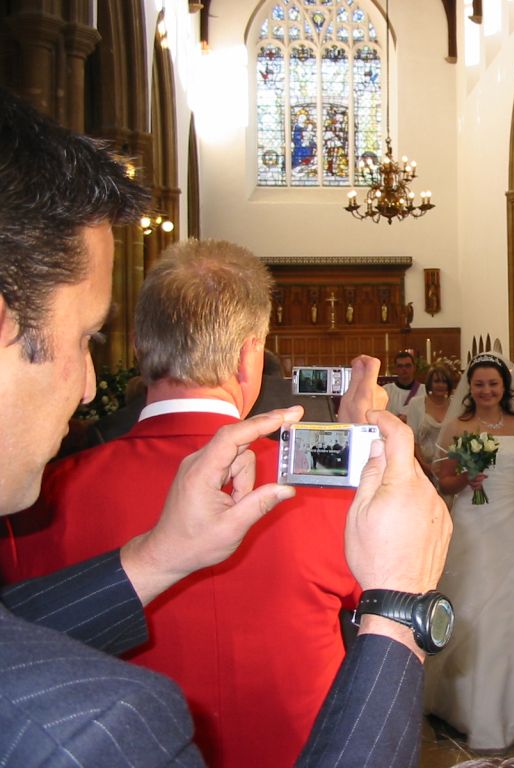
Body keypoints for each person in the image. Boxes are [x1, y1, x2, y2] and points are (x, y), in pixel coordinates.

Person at [0, 86, 452, 768]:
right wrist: (401, 614)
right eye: (85, 338)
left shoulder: (44, 500)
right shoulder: (312, 480)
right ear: (251, 355)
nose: (90, 383)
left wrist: (159, 556)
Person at [0, 240, 365, 767]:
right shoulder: (322, 484)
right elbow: (384, 600)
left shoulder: (33, 503)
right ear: (249, 358)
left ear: (144, 350)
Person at [426, 354, 514, 750]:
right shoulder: (456, 427)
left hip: (512, 520)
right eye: (480, 384)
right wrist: (467, 477)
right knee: (476, 602)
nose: (487, 391)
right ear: (470, 388)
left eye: (494, 384)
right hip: (473, 523)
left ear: (505, 387)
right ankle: (469, 698)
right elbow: (446, 484)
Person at [406, 363, 454, 480]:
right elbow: (413, 440)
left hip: (449, 468)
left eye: (444, 381)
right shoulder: (416, 404)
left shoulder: (455, 405)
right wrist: (425, 467)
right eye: (437, 381)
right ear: (430, 384)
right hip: (422, 467)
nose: (441, 385)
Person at [384, 350, 424, 419]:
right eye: (400, 366)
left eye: (407, 366)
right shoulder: (386, 391)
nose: (404, 369)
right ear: (395, 369)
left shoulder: (424, 390)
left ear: (414, 367)